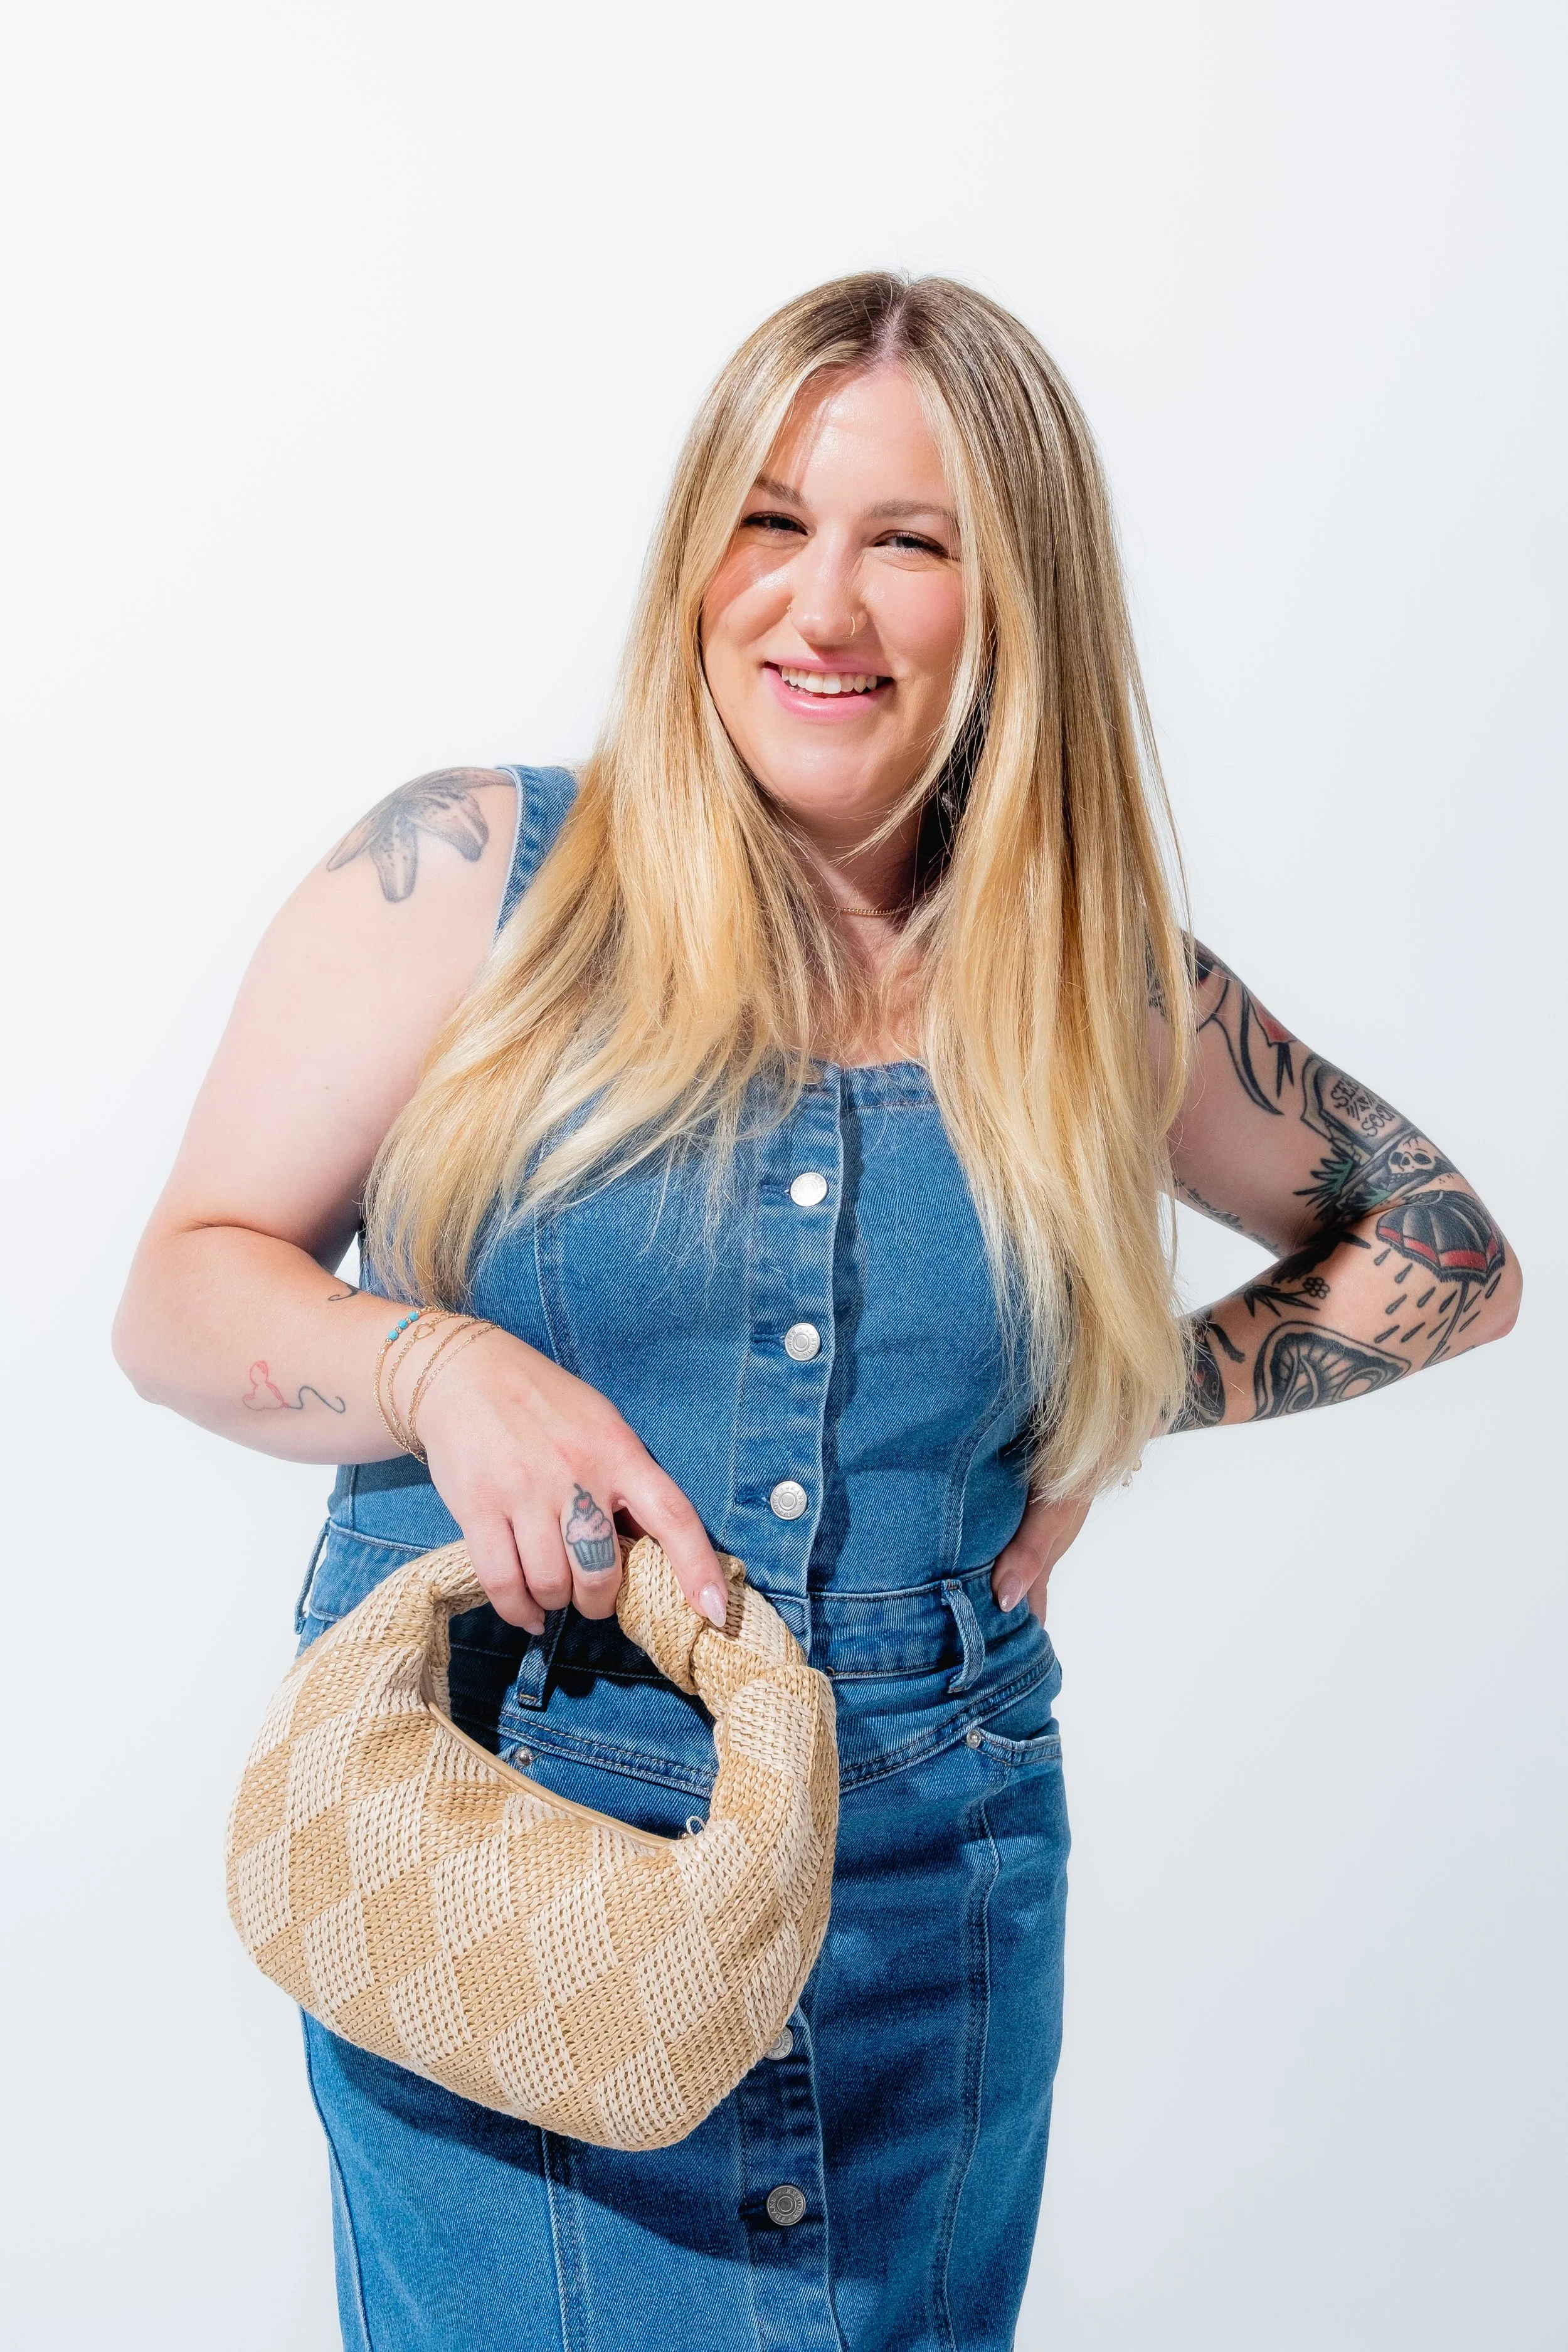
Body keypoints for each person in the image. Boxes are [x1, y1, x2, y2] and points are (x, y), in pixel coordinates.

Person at [113, 272, 1520, 2352]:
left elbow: (1443, 1252)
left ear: (1012, 594)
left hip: (927, 1905)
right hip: (511, 1855)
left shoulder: (1088, 977)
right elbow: (177, 1288)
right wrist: (441, 1365)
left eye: (910, 542)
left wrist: (1122, 1409)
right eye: (768, 521)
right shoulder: (470, 878)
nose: (820, 608)